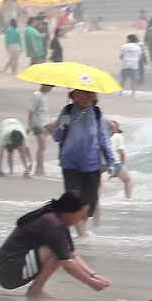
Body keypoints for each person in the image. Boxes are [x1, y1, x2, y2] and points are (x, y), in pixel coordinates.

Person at [0, 192, 111, 297]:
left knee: (61, 252)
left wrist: (94, 275)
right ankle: (35, 291)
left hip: (14, 268)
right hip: (8, 271)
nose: (80, 220)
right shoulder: (52, 223)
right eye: (80, 216)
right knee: (57, 253)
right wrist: (91, 283)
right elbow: (67, 263)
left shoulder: (59, 221)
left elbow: (73, 255)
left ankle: (35, 290)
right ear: (68, 211)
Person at [52, 88, 113, 238]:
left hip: (91, 163)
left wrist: (111, 161)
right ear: (74, 95)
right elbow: (56, 136)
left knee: (90, 200)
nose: (87, 99)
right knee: (74, 198)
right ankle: (81, 231)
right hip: (70, 162)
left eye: (90, 95)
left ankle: (81, 227)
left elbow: (104, 138)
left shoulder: (97, 114)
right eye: (83, 95)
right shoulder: (66, 111)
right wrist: (62, 126)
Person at [28, 84, 53, 177]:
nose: (51, 89)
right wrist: (29, 125)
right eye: (50, 87)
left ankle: (40, 168)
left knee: (42, 147)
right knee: (42, 146)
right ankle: (39, 169)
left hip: (44, 124)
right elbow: (31, 110)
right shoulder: (37, 95)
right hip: (37, 123)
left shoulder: (45, 95)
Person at [105, 119, 133, 199]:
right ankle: (128, 198)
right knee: (128, 180)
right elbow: (121, 152)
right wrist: (123, 163)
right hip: (114, 162)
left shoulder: (103, 136)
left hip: (102, 162)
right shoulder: (118, 136)